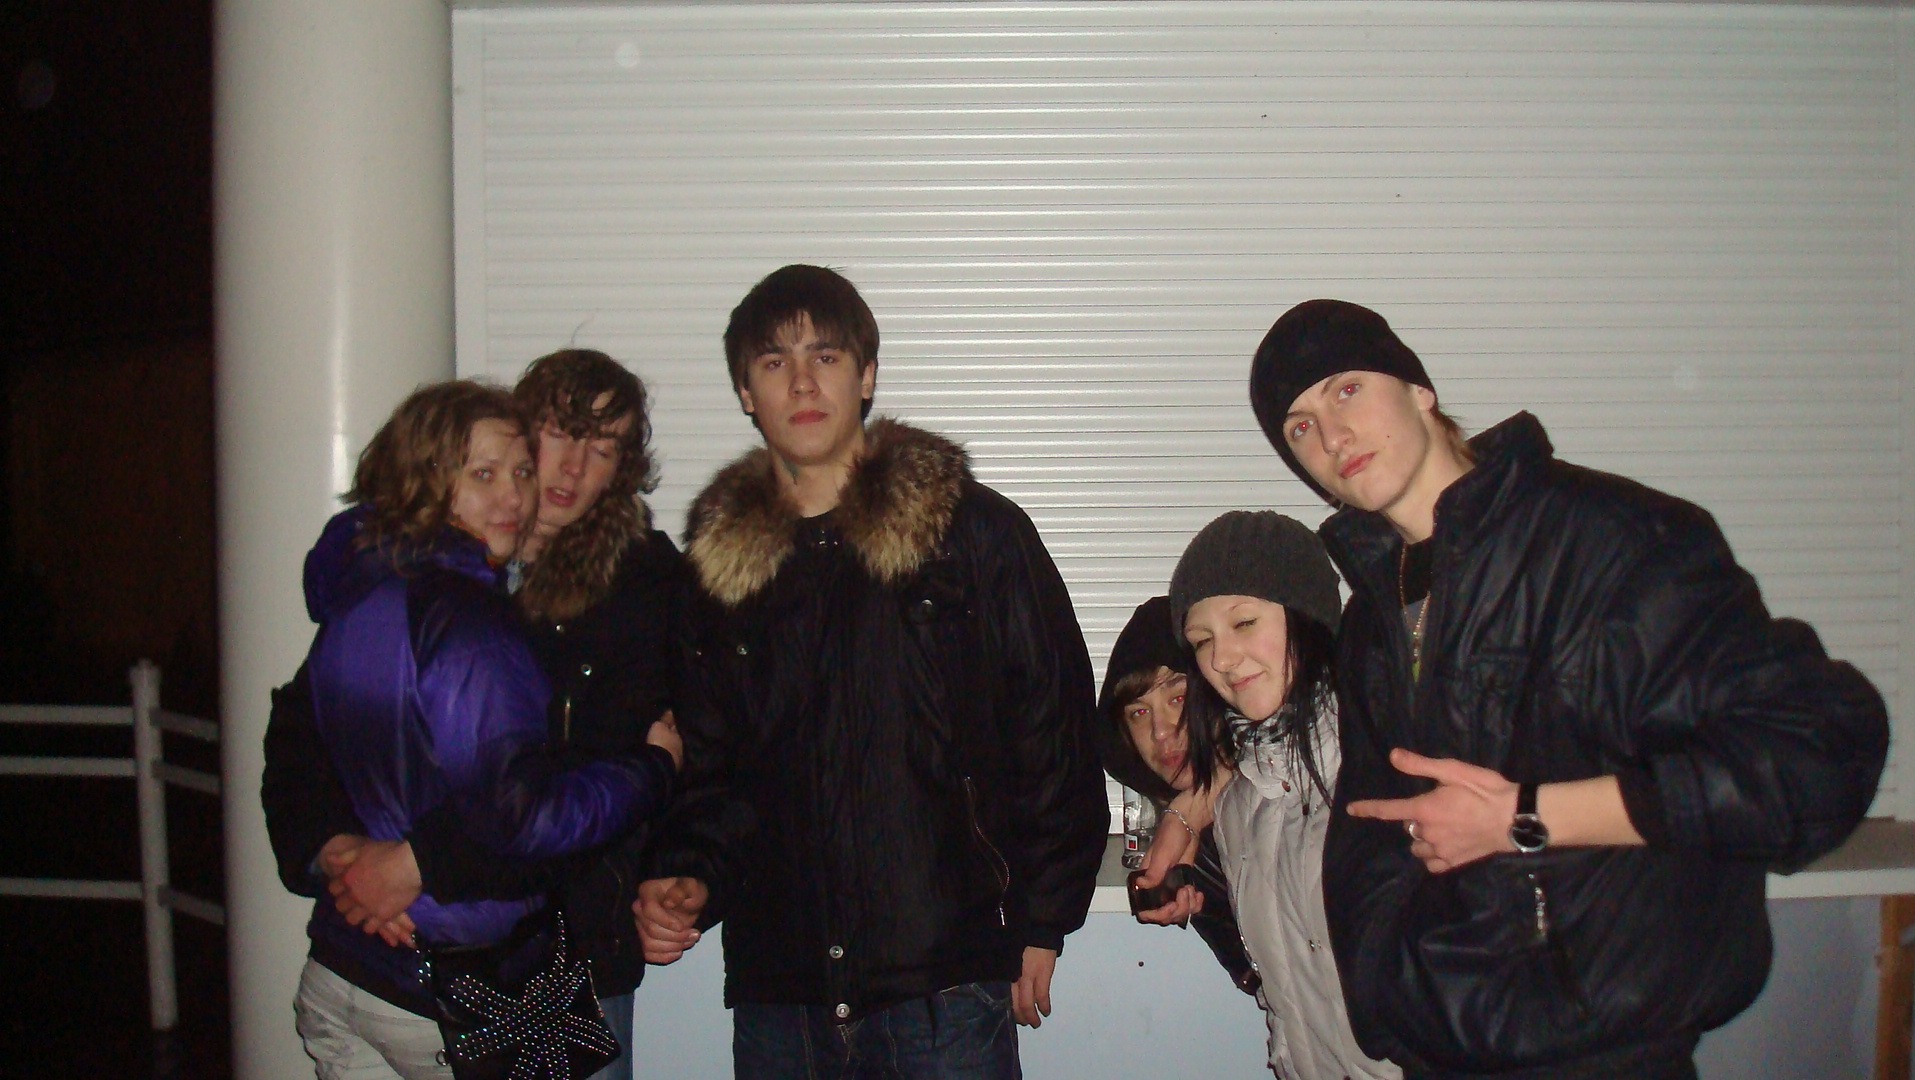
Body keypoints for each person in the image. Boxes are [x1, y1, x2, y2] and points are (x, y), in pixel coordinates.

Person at [1248, 298, 1889, 1078]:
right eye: (1300, 428)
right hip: (1438, 1054)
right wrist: (1387, 997)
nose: (1332, 436)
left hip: (1605, 1054)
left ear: (1419, 390)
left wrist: (1524, 816)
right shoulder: (1371, 622)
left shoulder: (1609, 541)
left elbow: (1815, 756)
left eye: (1346, 390)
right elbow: (1372, 838)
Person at [632, 264, 1109, 1078]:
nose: (803, 382)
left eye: (825, 355)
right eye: (775, 362)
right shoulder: (715, 578)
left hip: (944, 987)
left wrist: (1041, 918)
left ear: (867, 375)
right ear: (746, 391)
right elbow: (713, 774)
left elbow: (1053, 725)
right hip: (782, 997)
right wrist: (684, 878)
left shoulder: (971, 535)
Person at [264, 352, 689, 1080]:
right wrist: (336, 852)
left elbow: (622, 761)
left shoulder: (644, 584)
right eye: (560, 434)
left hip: (572, 953)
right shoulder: (412, 576)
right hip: (394, 952)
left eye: (603, 448)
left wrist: (418, 863)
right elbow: (307, 732)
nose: (570, 467)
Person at [1152, 513, 1399, 1080]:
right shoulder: (1239, 804)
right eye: (1202, 641)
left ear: (1306, 615)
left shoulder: (1391, 765)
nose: (1221, 658)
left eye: (1243, 622)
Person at [1095, 595, 1259, 996]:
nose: (1160, 731)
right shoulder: (1186, 842)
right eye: (1139, 712)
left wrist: (1189, 809)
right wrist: (1211, 908)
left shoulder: (1292, 781)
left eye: (1177, 698)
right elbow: (1262, 977)